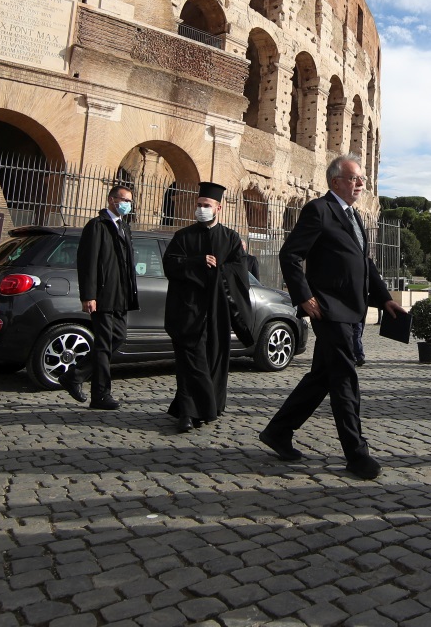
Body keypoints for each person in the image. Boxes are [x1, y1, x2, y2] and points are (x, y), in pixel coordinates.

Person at [259, 154, 406, 480]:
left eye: (362, 179)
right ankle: (356, 454)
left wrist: (385, 300)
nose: (361, 184)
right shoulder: (319, 210)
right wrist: (304, 295)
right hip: (329, 309)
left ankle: (278, 431)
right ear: (336, 181)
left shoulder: (354, 217)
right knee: (344, 379)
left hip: (352, 309)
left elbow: (366, 265)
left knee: (321, 378)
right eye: (355, 178)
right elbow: (290, 254)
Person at [162, 182, 251, 433]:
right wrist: (197, 263)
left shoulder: (231, 238)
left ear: (218, 208)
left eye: (206, 205)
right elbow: (170, 266)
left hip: (217, 310)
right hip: (188, 310)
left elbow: (239, 273)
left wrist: (220, 270)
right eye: (199, 205)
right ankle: (189, 413)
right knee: (191, 361)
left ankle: (210, 406)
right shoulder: (183, 237)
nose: (201, 209)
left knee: (214, 359)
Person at [61, 184, 138, 410]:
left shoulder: (124, 227)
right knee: (103, 345)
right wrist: (89, 295)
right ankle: (101, 395)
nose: (127, 204)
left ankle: (74, 376)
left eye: (130, 201)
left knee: (118, 338)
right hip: (103, 294)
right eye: (123, 200)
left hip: (121, 294)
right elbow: (88, 262)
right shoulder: (96, 226)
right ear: (111, 200)